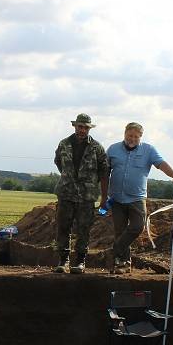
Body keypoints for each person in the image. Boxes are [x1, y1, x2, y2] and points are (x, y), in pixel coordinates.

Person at [105, 122, 173, 274]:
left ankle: (116, 249)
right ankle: (122, 263)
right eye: (129, 135)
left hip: (137, 198)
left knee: (137, 227)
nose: (132, 138)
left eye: (135, 136)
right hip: (116, 198)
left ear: (140, 137)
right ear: (124, 134)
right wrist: (103, 196)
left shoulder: (148, 150)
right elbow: (104, 171)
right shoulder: (113, 149)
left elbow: (161, 164)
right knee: (120, 231)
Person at [53, 113, 109, 274]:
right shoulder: (63, 144)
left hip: (87, 196)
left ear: (89, 128)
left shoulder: (97, 148)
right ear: (75, 126)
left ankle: (80, 262)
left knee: (84, 229)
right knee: (63, 227)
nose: (82, 130)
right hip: (66, 193)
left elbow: (104, 172)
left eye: (85, 127)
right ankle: (63, 261)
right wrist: (69, 178)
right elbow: (59, 163)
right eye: (80, 126)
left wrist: (103, 196)